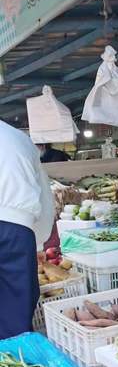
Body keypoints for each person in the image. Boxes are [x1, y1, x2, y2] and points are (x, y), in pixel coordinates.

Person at [0, 121, 54, 339]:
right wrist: (39, 241)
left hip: (15, 222)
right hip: (16, 226)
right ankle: (16, 352)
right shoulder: (19, 138)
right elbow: (44, 195)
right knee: (17, 300)